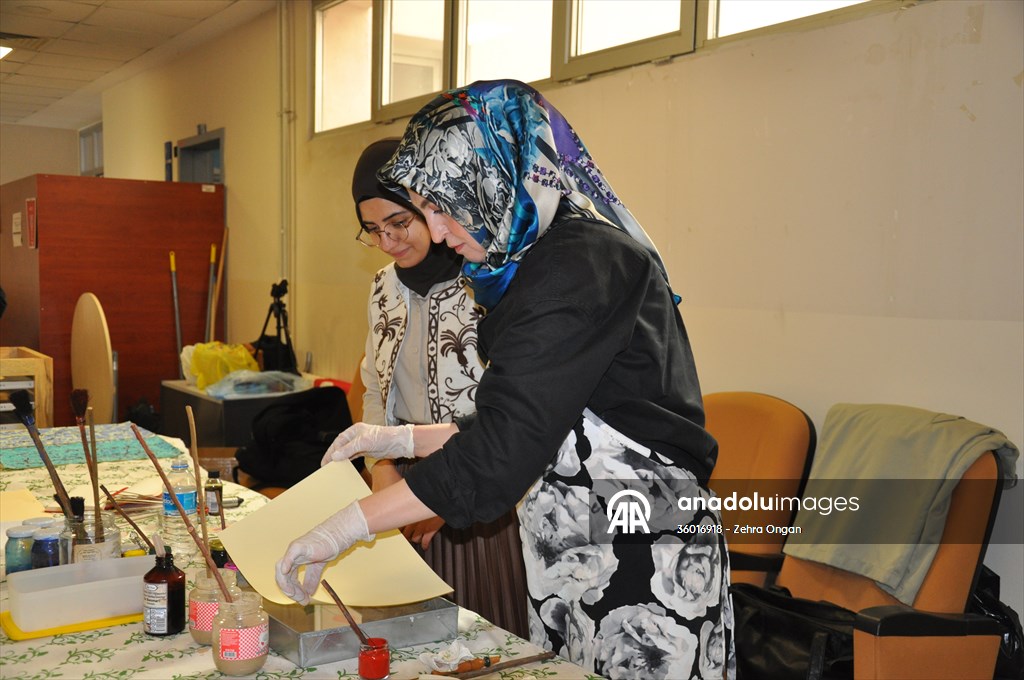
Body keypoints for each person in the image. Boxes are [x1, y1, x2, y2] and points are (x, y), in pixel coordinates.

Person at [277, 80, 733, 679]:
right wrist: (400, 440)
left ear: (492, 179)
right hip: (574, 544)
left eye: (440, 207)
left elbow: (503, 449)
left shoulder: (580, 267)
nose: (435, 232)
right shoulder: (531, 260)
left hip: (645, 551)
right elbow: (534, 416)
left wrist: (343, 530)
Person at [348, 138, 529, 637]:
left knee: (477, 637)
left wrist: (442, 496)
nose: (387, 243)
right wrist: (381, 467)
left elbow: (512, 413)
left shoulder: (491, 282)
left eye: (399, 223)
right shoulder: (383, 285)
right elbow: (373, 383)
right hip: (398, 481)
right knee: (400, 639)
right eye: (372, 231)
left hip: (477, 485)